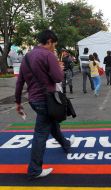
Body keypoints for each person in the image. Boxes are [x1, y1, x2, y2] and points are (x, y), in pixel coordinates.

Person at [14, 30, 75, 180]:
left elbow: (20, 81)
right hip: (47, 100)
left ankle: (66, 144)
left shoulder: (27, 57)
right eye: (54, 44)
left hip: (34, 100)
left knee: (52, 125)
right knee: (41, 134)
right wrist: (59, 69)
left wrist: (18, 101)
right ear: (49, 41)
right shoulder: (48, 55)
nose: (54, 48)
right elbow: (58, 78)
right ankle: (34, 170)